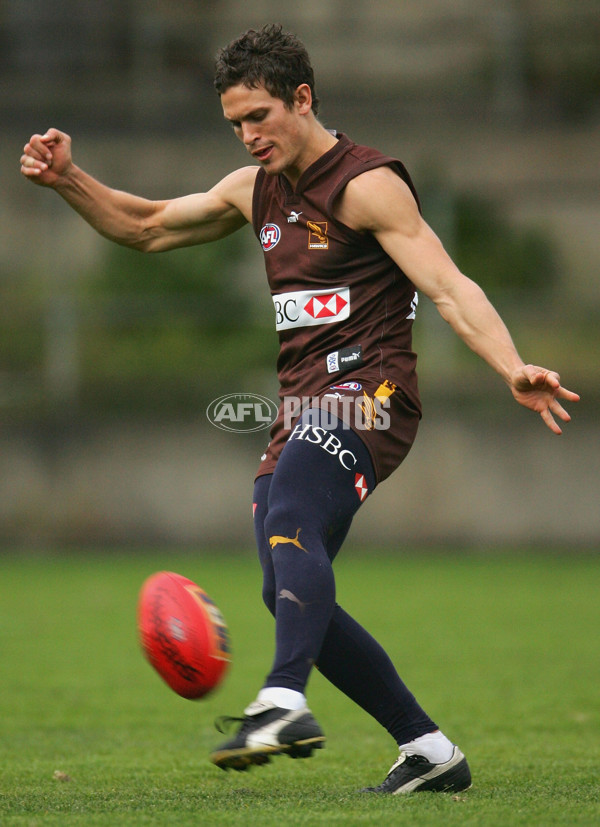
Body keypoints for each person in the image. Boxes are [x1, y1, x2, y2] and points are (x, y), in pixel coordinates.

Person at [21, 23, 578, 795]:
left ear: (302, 98)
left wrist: (511, 364)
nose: (248, 136)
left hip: (375, 395)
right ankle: (428, 749)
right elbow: (147, 227)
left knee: (291, 513)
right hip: (303, 405)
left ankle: (283, 698)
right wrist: (69, 181)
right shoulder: (255, 190)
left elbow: (450, 286)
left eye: (259, 117)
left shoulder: (366, 184)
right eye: (235, 124)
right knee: (281, 576)